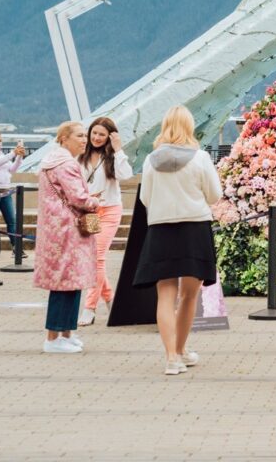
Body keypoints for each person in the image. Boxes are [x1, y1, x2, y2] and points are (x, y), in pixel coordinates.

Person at [134, 105, 223, 375]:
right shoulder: (201, 158)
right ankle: (182, 349)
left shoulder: (151, 160)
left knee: (165, 294)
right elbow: (214, 194)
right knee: (189, 296)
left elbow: (144, 198)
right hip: (194, 229)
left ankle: (171, 356)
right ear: (189, 126)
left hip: (161, 230)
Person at [34, 121, 100, 354]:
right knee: (66, 283)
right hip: (69, 229)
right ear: (64, 138)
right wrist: (95, 201)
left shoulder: (51, 161)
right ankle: (54, 337)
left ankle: (66, 333)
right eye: (80, 136)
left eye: (85, 136)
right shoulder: (66, 164)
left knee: (69, 281)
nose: (84, 140)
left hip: (56, 227)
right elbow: (79, 198)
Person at [77, 117, 134, 327]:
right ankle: (111, 301)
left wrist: (118, 150)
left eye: (102, 134)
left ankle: (89, 308)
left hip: (109, 210)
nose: (97, 138)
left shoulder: (112, 157)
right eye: (94, 133)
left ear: (110, 136)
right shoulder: (81, 156)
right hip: (89, 211)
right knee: (94, 258)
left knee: (97, 257)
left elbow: (126, 175)